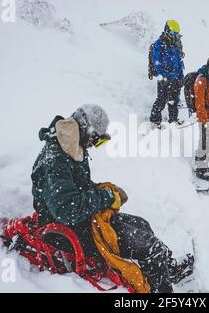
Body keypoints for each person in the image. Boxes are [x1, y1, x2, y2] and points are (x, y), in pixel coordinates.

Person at [31, 104, 193, 293]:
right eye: (96, 140)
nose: (94, 145)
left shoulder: (71, 146)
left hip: (84, 221)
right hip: (69, 231)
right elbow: (68, 210)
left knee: (142, 224)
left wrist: (106, 190)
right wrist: (107, 197)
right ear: (86, 130)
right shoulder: (56, 160)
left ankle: (165, 267)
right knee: (150, 247)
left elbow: (78, 187)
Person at [149, 20, 185, 128]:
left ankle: (173, 120)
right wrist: (162, 75)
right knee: (162, 99)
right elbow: (157, 61)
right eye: (173, 33)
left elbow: (179, 63)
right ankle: (155, 121)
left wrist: (181, 76)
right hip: (164, 77)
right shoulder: (159, 44)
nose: (174, 36)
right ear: (167, 31)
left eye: (176, 34)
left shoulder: (175, 46)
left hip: (175, 77)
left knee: (174, 99)